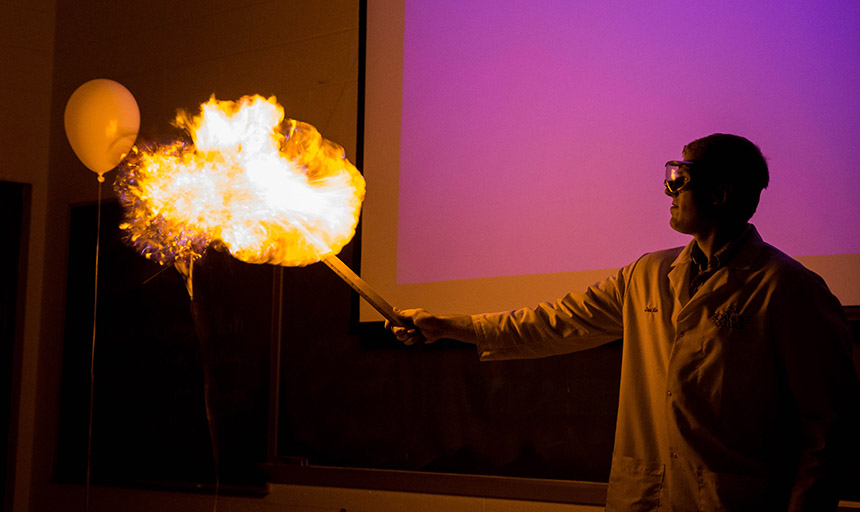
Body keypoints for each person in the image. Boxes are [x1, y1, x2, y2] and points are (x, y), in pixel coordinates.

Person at [387, 134, 860, 511]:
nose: (669, 190)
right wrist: (446, 326)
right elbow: (553, 323)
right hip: (649, 495)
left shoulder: (790, 289)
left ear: (720, 193)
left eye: (681, 177)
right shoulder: (647, 275)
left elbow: (828, 427)